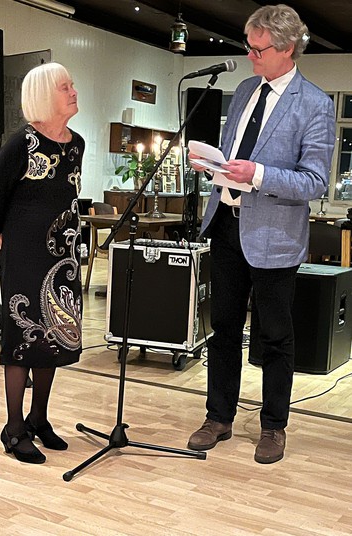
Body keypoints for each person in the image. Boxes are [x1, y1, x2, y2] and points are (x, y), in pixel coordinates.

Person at [187, 4, 335, 463]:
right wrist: (213, 164)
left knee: (274, 336)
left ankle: (273, 426)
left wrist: (257, 174)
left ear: (287, 49)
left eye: (258, 49)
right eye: (248, 46)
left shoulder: (316, 104)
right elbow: (234, 153)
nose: (250, 56)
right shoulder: (246, 90)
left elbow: (315, 182)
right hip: (226, 226)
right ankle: (218, 417)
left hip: (275, 236)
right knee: (223, 330)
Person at [0, 62, 85, 464]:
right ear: (44, 95)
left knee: (53, 338)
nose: (73, 91)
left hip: (63, 256)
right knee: (24, 337)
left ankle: (38, 418)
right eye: (65, 87)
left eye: (72, 85)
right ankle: (13, 428)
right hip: (25, 256)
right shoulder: (21, 144)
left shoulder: (76, 144)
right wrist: (2, 237)